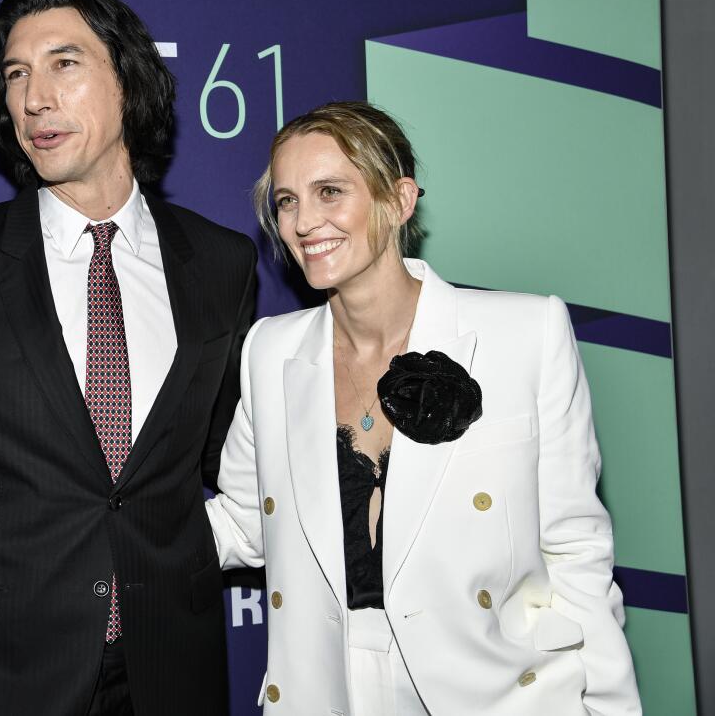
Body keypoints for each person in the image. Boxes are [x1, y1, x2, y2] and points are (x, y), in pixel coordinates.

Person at [0, 0, 256, 716]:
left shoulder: (223, 263)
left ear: (128, 82)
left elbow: (236, 461)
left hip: (172, 674)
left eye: (64, 64)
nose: (35, 97)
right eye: (15, 75)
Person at [206, 101, 641, 715]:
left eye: (330, 192)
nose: (305, 222)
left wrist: (613, 707)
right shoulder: (269, 351)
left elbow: (576, 552)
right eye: (287, 201)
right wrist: (101, 537)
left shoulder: (525, 334)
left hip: (491, 693)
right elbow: (246, 521)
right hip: (328, 691)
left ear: (399, 199)